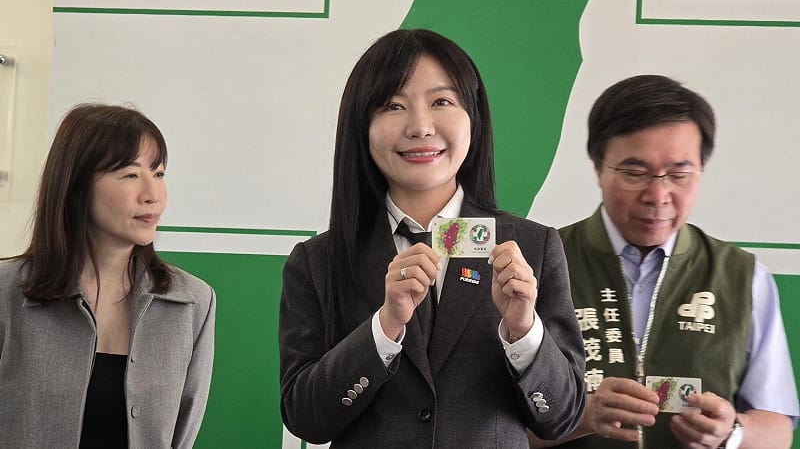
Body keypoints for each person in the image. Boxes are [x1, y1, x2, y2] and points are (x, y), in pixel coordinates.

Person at [279, 29, 585, 448]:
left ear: (473, 118)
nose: (421, 127)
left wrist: (524, 330)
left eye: (442, 102)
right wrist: (385, 326)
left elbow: (561, 418)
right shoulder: (318, 261)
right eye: (393, 106)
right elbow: (305, 418)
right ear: (361, 128)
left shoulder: (532, 247)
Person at [529, 74, 799, 449]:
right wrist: (579, 416)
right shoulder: (538, 263)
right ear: (597, 166)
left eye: (679, 174)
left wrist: (732, 432)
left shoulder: (742, 276)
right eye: (635, 173)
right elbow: (482, 424)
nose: (658, 195)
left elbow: (778, 428)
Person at [0, 104, 216, 448]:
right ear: (76, 184)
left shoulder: (192, 302)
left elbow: (181, 436)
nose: (152, 195)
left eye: (159, 173)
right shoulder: (7, 292)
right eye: (130, 175)